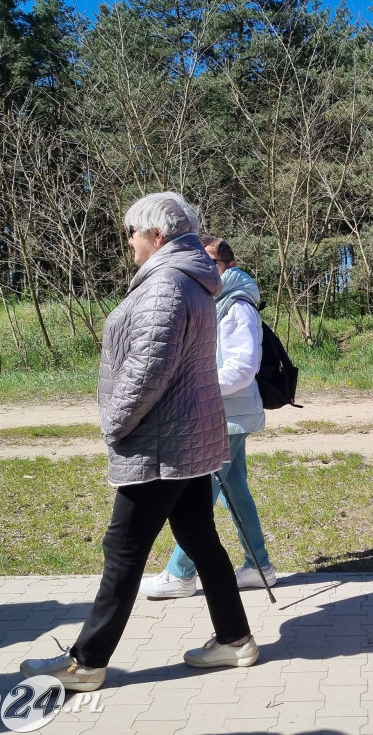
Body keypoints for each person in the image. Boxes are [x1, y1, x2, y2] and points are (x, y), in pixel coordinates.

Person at [19, 193, 258, 691]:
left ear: (158, 236)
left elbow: (147, 370)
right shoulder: (192, 279)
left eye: (133, 231)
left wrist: (113, 422)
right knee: (199, 537)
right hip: (185, 438)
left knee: (123, 549)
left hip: (159, 442)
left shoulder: (167, 285)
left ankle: (86, 663)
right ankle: (235, 640)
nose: (128, 240)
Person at [139, 235, 277, 597]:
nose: (201, 269)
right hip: (224, 413)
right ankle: (259, 565)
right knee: (236, 490)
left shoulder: (237, 305)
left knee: (200, 495)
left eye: (209, 262)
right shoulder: (216, 301)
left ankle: (181, 574)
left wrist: (196, 387)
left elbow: (243, 367)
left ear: (227, 266)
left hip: (225, 415)